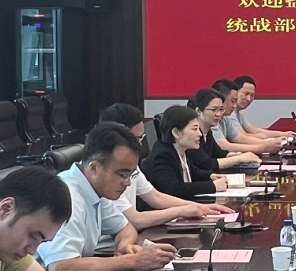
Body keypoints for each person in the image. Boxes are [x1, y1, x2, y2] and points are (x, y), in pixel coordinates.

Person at [36, 122, 177, 271]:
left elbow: (126, 228)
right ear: (94, 168)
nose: (127, 183)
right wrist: (132, 261)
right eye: (122, 175)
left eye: (130, 175)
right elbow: (61, 269)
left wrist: (124, 247)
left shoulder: (94, 189)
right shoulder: (68, 198)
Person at [98, 103, 233, 230]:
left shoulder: (132, 166)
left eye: (141, 138)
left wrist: (202, 207)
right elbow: (135, 220)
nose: (139, 146)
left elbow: (156, 197)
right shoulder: (104, 174)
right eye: (135, 139)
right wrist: (182, 210)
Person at [144, 105, 230, 199]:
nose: (200, 134)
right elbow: (174, 189)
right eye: (194, 129)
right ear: (176, 133)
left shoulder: (180, 149)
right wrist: (212, 186)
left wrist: (211, 176)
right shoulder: (162, 155)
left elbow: (194, 172)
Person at [186, 88, 261, 171]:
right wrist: (239, 158)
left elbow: (219, 153)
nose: (218, 114)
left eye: (221, 110)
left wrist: (240, 155)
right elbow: (206, 164)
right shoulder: (192, 135)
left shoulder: (208, 132)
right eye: (214, 110)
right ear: (198, 111)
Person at [209, 79, 282, 155]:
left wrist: (269, 143)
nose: (234, 106)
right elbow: (224, 146)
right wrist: (263, 147)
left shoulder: (225, 117)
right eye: (233, 101)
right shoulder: (211, 119)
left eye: (252, 95)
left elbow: (238, 137)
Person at [233, 75, 296, 140]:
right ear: (234, 92)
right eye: (246, 94)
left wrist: (284, 134)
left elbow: (254, 130)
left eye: (252, 95)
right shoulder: (230, 113)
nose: (248, 99)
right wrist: (265, 138)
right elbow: (242, 137)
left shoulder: (238, 114)